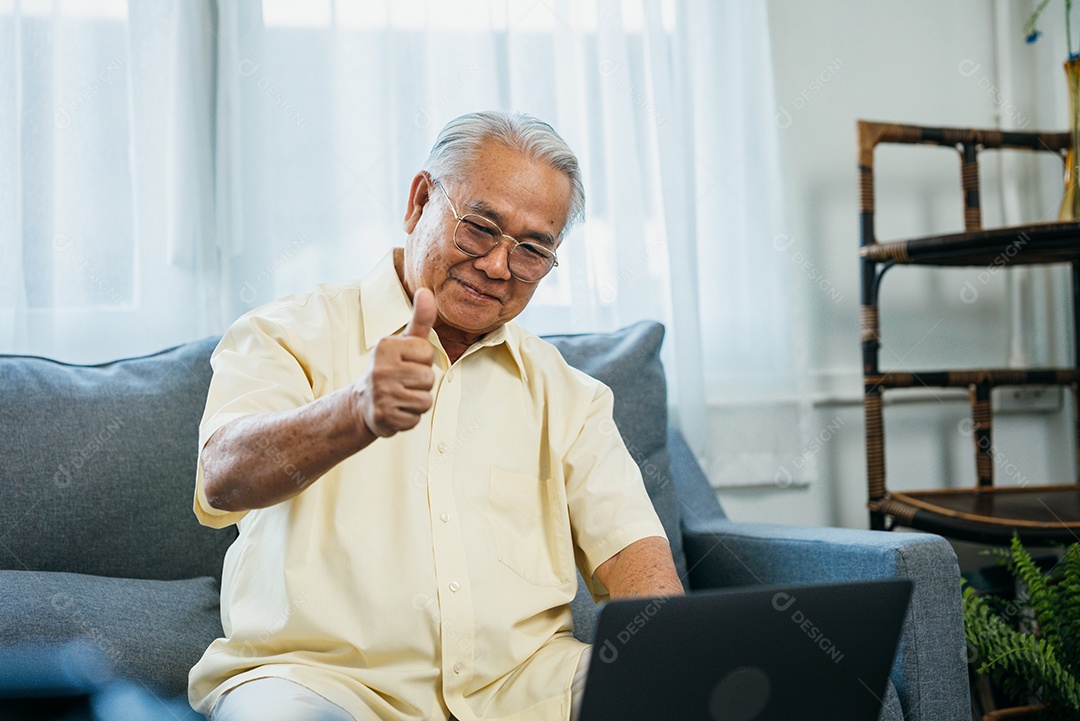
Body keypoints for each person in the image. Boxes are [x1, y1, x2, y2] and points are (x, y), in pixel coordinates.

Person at [188, 111, 684, 721]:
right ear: (421, 200)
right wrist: (354, 412)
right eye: (479, 228)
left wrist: (675, 676)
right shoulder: (285, 334)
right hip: (320, 686)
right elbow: (223, 477)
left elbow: (641, 573)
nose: (499, 266)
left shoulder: (572, 396)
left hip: (527, 689)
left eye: (532, 249)